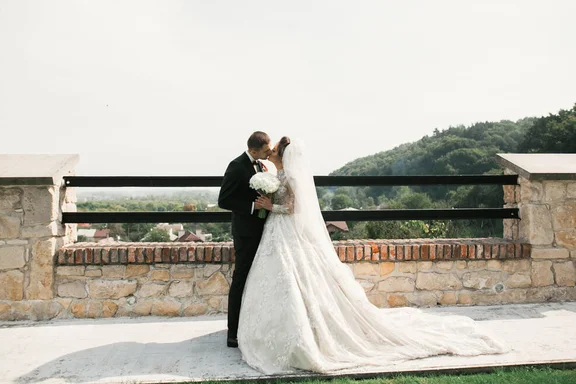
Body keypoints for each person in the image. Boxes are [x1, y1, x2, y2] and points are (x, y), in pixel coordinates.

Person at [237, 136, 508, 374]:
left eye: (274, 150)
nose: (270, 153)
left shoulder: (290, 177)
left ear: (283, 155)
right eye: (268, 149)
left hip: (285, 229)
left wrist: (271, 206)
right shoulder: (280, 173)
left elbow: (294, 209)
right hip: (277, 232)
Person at [218, 131, 272, 348]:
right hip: (245, 233)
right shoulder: (236, 166)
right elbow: (224, 200)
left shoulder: (260, 164)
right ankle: (233, 333)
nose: (269, 153)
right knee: (240, 278)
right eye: (266, 150)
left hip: (263, 229)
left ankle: (251, 325)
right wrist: (253, 207)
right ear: (253, 150)